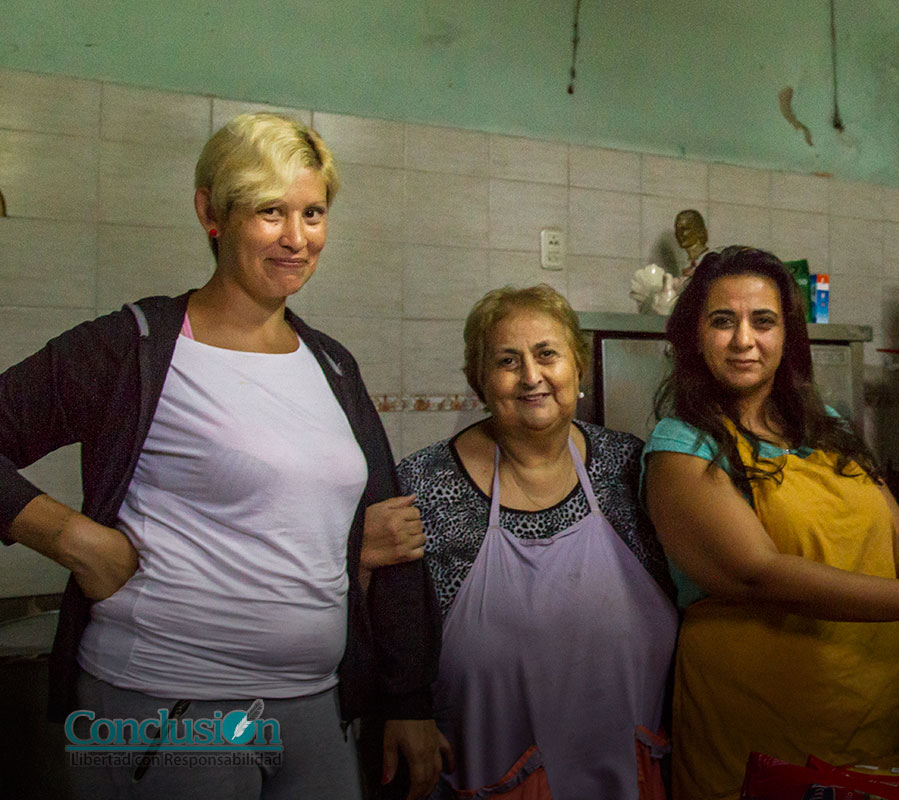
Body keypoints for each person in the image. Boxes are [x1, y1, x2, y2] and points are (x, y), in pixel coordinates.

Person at [0, 112, 444, 799]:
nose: (297, 239)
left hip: (319, 708)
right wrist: (77, 539)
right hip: (168, 708)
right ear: (212, 211)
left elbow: (394, 531)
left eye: (313, 213)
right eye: (271, 212)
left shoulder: (331, 364)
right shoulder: (136, 347)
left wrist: (408, 697)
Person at [641, 246, 899, 800]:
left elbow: (897, 540)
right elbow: (759, 572)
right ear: (694, 336)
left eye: (763, 321)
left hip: (871, 711)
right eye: (723, 321)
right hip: (757, 733)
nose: (744, 340)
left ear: (787, 335)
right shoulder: (682, 446)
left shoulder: (829, 429)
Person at [393, 285, 677, 799]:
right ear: (478, 381)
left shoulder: (632, 469)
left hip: (630, 775)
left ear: (579, 366)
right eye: (507, 360)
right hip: (489, 779)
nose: (531, 376)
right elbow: (386, 628)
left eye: (547, 354)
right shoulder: (422, 486)